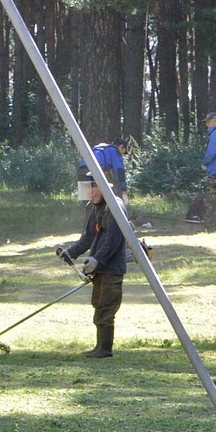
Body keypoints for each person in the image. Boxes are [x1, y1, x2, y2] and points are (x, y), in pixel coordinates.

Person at [55, 180, 126, 358]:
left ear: (103, 189)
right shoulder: (96, 208)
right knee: (98, 305)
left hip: (111, 268)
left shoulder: (114, 207)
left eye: (93, 191)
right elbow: (87, 237)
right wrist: (70, 253)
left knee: (106, 307)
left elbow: (113, 241)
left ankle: (105, 349)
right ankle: (99, 346)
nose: (90, 195)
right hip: (100, 268)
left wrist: (97, 260)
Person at [77, 140, 129, 207]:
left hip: (82, 170)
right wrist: (124, 190)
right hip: (94, 172)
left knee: (85, 199)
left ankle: (84, 214)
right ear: (121, 147)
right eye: (124, 152)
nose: (122, 154)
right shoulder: (114, 151)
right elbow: (119, 171)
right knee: (99, 198)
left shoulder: (99, 149)